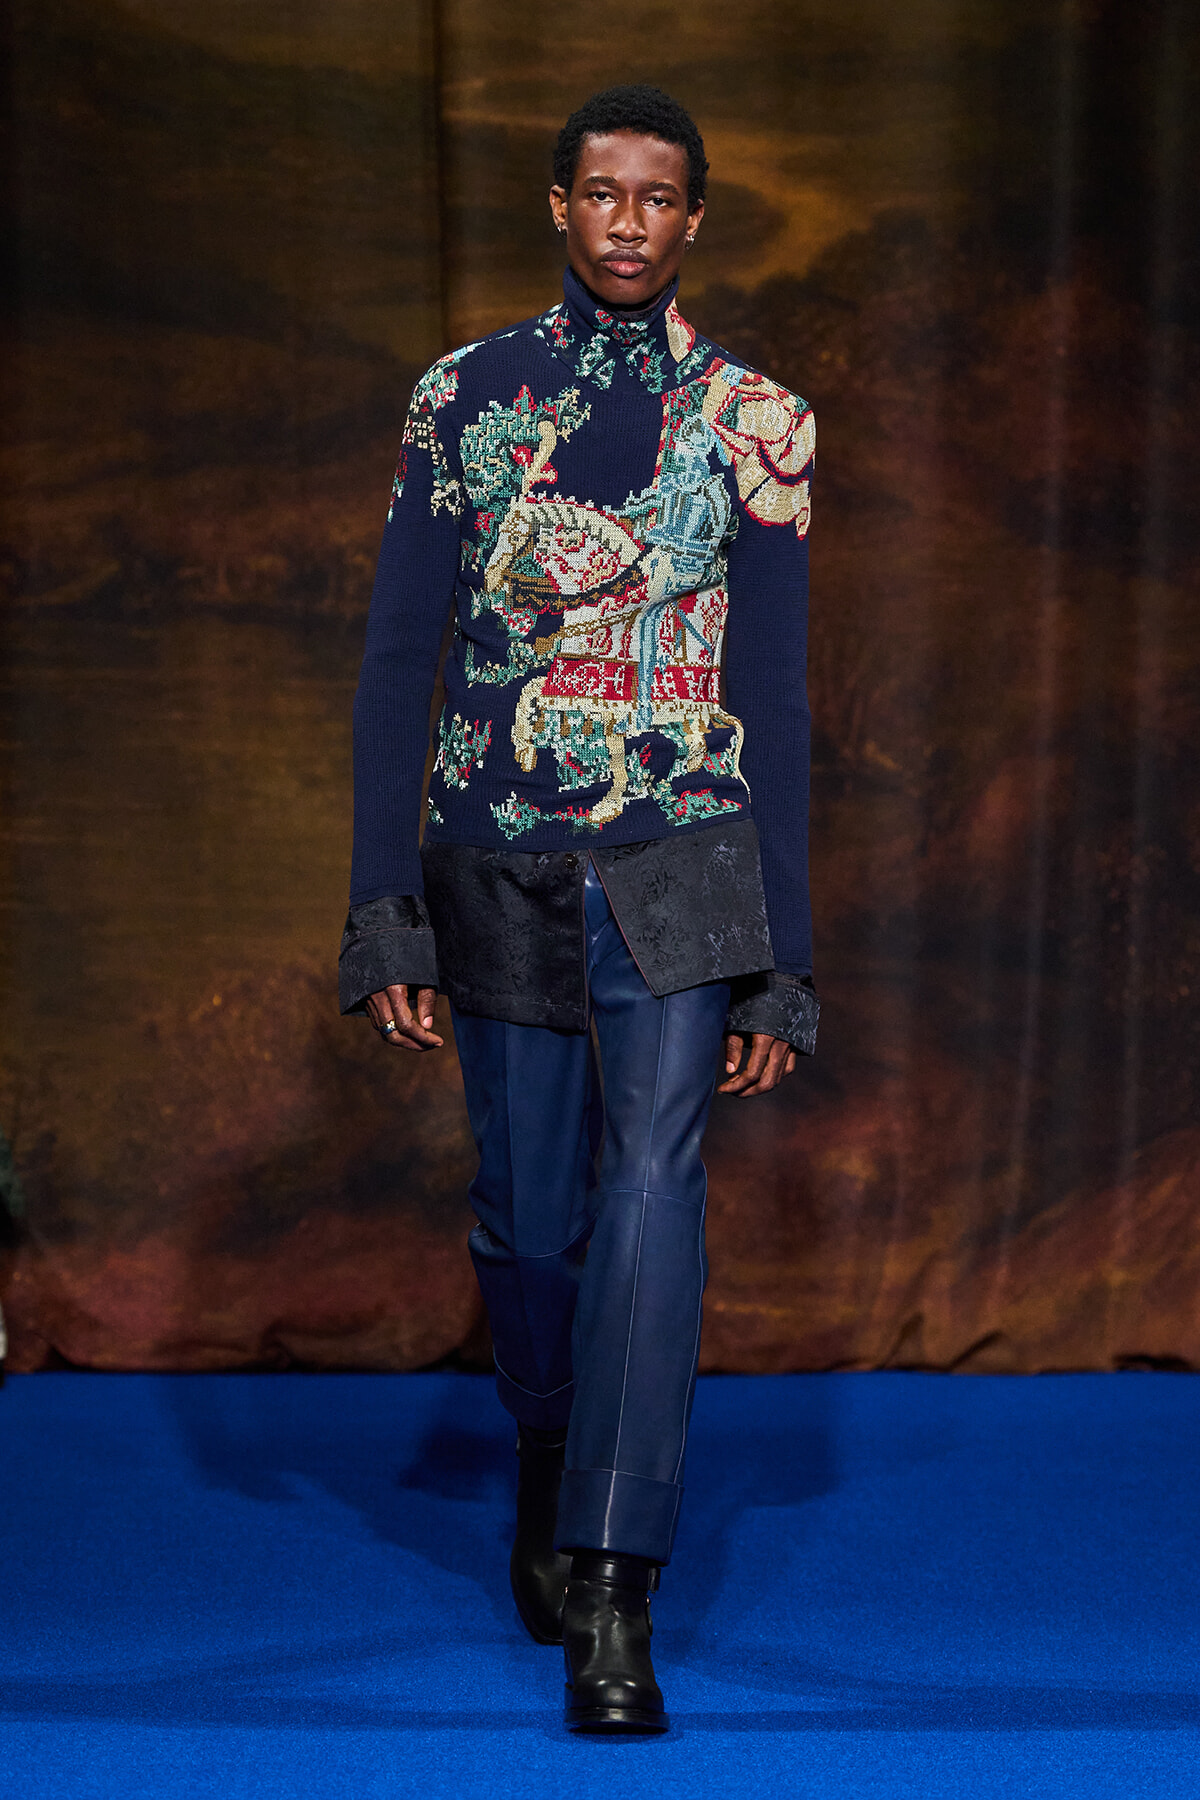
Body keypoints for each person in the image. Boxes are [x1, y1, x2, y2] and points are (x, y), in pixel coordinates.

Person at [339, 84, 817, 1734]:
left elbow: (776, 691)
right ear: (558, 205)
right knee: (530, 1216)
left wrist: (785, 961)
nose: (627, 219)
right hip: (492, 846)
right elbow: (402, 657)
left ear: (695, 218)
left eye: (658, 196)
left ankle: (618, 1579)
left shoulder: (760, 420)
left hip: (684, 853)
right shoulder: (462, 402)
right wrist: (380, 899)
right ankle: (550, 1441)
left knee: (654, 1188)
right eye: (600, 191)